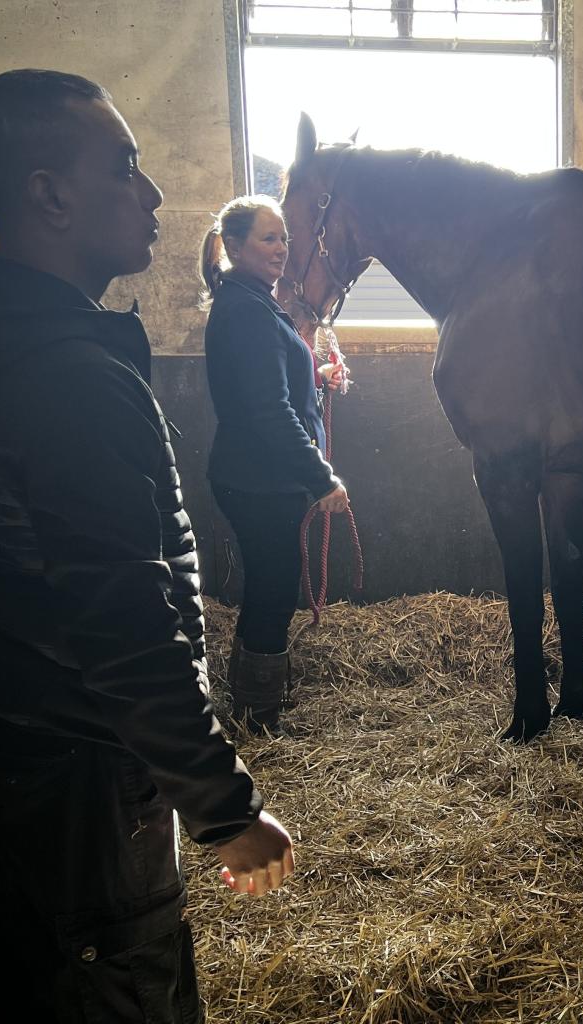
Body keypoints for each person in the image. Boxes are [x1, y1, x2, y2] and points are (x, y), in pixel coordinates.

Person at [0, 69, 295, 1022]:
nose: (155, 194)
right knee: (110, 981)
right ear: (49, 195)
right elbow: (126, 624)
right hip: (82, 760)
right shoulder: (70, 378)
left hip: (17, 734)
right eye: (125, 166)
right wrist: (224, 809)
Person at [199, 195, 349, 733]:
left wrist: (315, 377)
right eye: (268, 238)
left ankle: (251, 697)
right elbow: (267, 411)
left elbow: (269, 389)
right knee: (274, 586)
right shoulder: (245, 311)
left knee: (270, 581)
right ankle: (258, 715)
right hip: (259, 478)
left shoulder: (251, 302)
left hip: (257, 475)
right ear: (233, 246)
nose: (282, 249)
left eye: (284, 238)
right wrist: (322, 476)